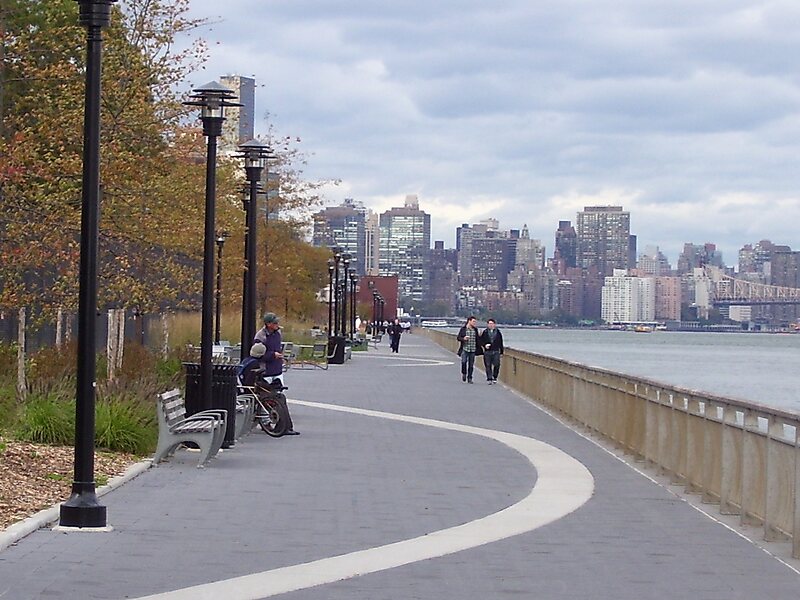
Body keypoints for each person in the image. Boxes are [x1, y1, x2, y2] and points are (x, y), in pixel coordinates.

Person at [253, 312, 298, 435]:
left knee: (278, 396)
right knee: (265, 398)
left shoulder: (278, 333)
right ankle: (266, 422)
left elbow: (277, 348)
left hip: (276, 369)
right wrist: (272, 355)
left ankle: (281, 424)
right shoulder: (260, 336)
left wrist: (279, 357)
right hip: (266, 370)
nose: (277, 324)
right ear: (268, 324)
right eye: (275, 323)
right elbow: (257, 354)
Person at [456, 316, 482, 383]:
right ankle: (464, 373)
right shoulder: (463, 329)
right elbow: (458, 337)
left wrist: (481, 336)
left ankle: (470, 378)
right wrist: (463, 338)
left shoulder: (475, 330)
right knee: (464, 362)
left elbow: (478, 340)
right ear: (469, 321)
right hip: (465, 349)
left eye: (475, 322)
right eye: (473, 321)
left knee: (471, 365)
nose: (474, 323)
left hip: (473, 349)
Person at [479, 318, 504, 384]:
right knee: (488, 365)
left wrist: (501, 352)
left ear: (494, 324)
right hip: (487, 351)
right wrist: (484, 345)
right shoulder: (485, 332)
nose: (491, 325)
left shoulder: (498, 332)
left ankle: (495, 377)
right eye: (489, 324)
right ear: (487, 325)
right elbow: (481, 341)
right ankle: (489, 378)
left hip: (496, 351)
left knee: (497, 365)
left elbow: (501, 342)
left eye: (492, 323)